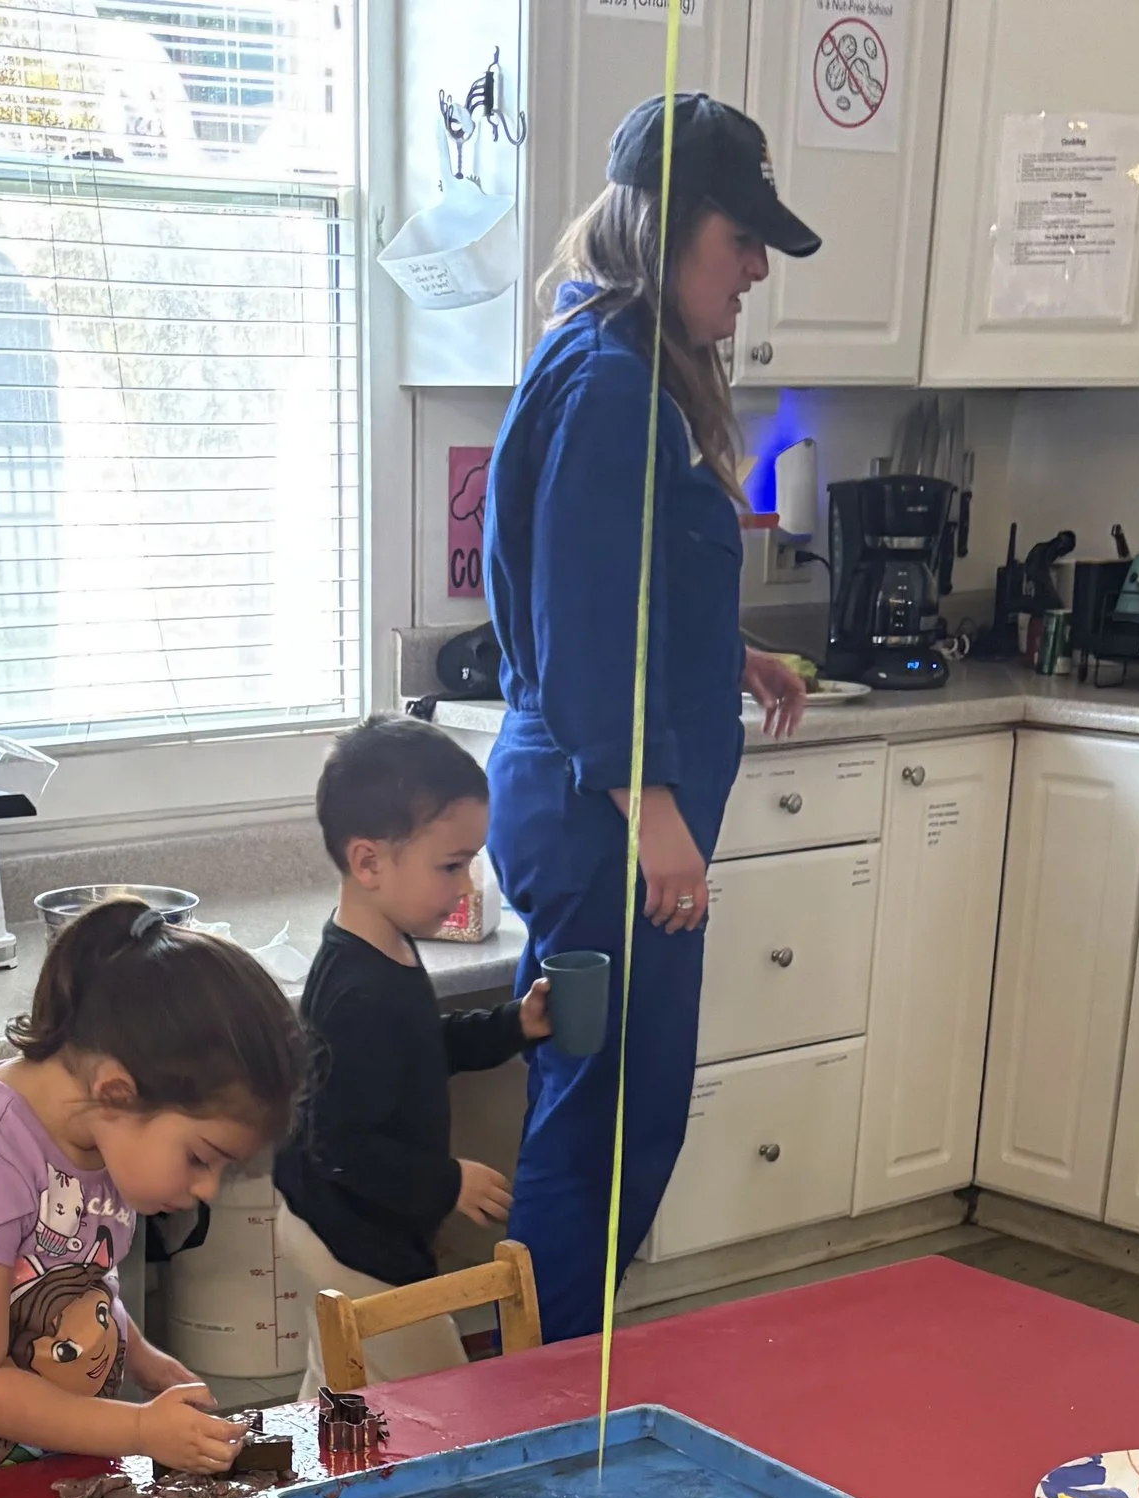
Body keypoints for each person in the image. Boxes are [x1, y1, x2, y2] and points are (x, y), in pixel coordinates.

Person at [482, 93, 817, 1340]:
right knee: (609, 1124)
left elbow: (620, 591)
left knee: (608, 1112)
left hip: (596, 808)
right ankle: (544, 1392)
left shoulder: (609, 363)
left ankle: (547, 1374)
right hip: (601, 821)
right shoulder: (616, 386)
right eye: (741, 238)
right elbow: (579, 623)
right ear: (670, 229)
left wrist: (729, 652)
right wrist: (651, 810)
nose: (757, 268)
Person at [0, 895, 306, 1494]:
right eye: (200, 1158)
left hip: (56, 1459)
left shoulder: (100, 1135)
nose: (204, 1189)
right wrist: (141, 1430)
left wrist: (147, 1364)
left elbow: (81, 1280)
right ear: (117, 1092)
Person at [273, 715, 550, 1396]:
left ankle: (306, 1460)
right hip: (352, 1237)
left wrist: (513, 1024)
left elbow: (424, 1048)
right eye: (450, 865)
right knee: (436, 1395)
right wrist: (445, 1182)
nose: (466, 886)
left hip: (335, 1219)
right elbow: (343, 1145)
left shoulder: (384, 947)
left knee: (341, 1386)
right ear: (369, 862)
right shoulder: (359, 993)